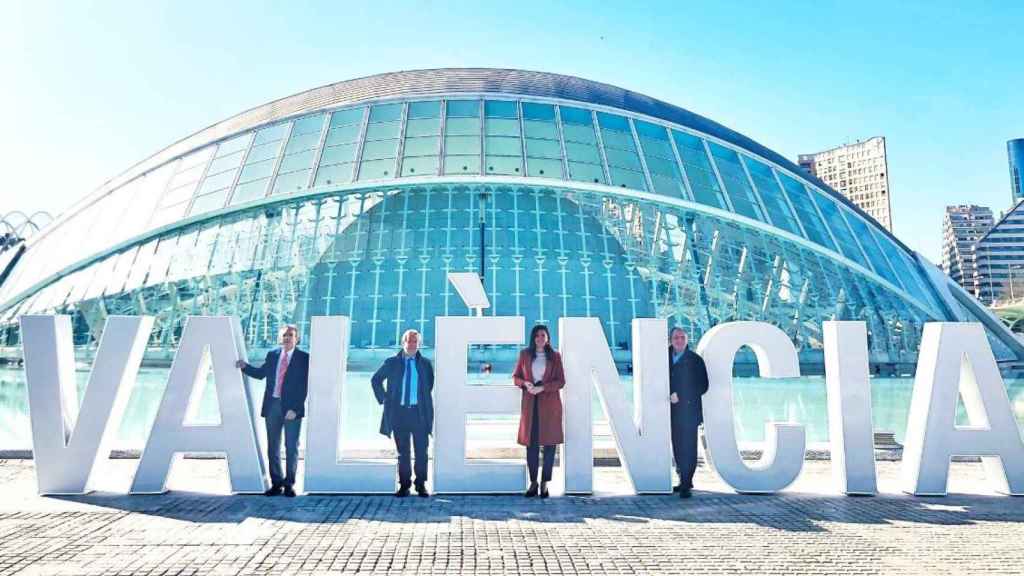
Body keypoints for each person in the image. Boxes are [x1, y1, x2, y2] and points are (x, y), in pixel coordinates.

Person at [236, 324, 309, 497]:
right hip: (272, 406)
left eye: (290, 335)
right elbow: (261, 374)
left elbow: (305, 386)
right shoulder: (273, 355)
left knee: (291, 447)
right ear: (280, 337)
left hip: (291, 408)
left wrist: (296, 408)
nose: (287, 338)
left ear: (297, 338)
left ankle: (289, 484)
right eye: (284, 335)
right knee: (272, 447)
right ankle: (277, 483)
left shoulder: (304, 358)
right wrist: (245, 367)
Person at [371, 329, 435, 497]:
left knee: (422, 452)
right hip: (399, 413)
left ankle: (420, 485)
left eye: (415, 341)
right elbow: (376, 380)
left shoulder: (425, 364)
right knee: (403, 453)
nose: (412, 344)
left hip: (419, 414)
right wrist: (384, 398)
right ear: (403, 343)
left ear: (419, 344)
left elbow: (429, 386)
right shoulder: (392, 362)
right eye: (409, 341)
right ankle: (404, 486)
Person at [513, 324, 565, 498]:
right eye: (537, 336)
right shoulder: (525, 355)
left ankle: (545, 483)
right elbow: (516, 377)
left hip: (549, 405)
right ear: (533, 338)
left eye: (543, 335)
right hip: (531, 404)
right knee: (531, 446)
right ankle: (533, 482)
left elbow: (560, 381)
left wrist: (543, 388)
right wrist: (525, 384)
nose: (540, 338)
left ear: (548, 337)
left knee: (550, 446)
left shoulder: (555, 356)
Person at [668, 327, 709, 499]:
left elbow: (703, 386)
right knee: (677, 447)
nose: (679, 340)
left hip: (689, 411)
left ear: (687, 339)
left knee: (689, 448)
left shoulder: (695, 360)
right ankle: (682, 478)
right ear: (670, 340)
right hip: (670, 411)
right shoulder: (663, 358)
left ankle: (686, 483)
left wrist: (682, 396)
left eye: (682, 337)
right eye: (676, 337)